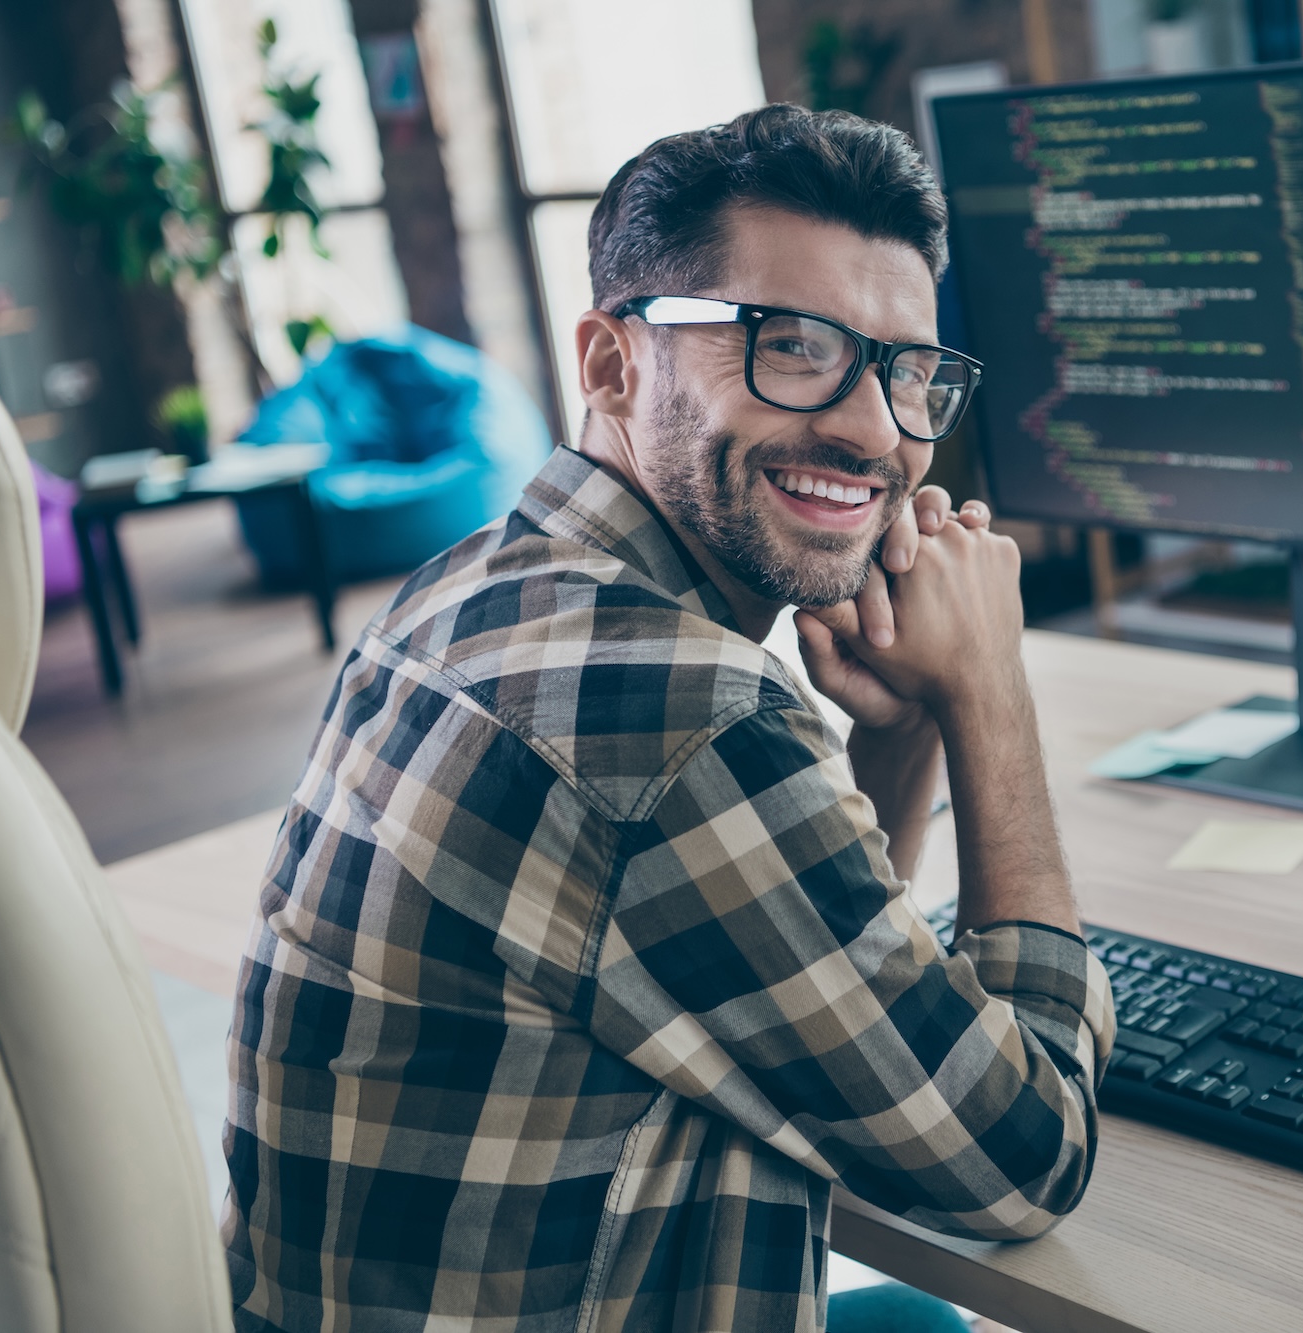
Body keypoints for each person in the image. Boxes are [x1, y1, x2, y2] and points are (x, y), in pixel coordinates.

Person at [222, 103, 1114, 1333]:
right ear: (609, 363)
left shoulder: (463, 585)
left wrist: (902, 733)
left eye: (906, 370)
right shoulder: (683, 719)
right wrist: (992, 698)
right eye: (791, 345)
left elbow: (807, 999)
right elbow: (1024, 1158)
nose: (871, 429)